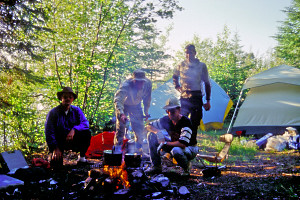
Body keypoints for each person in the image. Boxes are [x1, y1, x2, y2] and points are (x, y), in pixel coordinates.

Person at [145, 97, 198, 176]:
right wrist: (158, 132)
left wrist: (164, 143)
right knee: (151, 135)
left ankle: (186, 168)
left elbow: (182, 144)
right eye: (169, 111)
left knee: (176, 150)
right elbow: (148, 126)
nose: (170, 113)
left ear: (179, 110)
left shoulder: (185, 122)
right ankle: (156, 166)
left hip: (190, 148)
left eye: (173, 111)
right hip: (175, 144)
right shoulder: (166, 120)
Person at [45, 87, 91, 167]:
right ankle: (54, 155)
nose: (68, 99)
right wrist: (55, 147)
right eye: (65, 97)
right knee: (56, 168)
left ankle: (82, 159)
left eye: (70, 97)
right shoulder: (53, 113)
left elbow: (85, 123)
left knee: (87, 133)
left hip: (73, 139)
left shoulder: (76, 110)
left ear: (73, 99)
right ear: (61, 98)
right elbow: (49, 132)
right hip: (59, 142)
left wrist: (74, 129)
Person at [173, 44, 211, 136]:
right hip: (184, 96)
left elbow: (207, 82)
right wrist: (177, 85)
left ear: (195, 53)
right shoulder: (181, 65)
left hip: (196, 96)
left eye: (190, 53)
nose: (188, 55)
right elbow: (175, 76)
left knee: (195, 120)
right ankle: (182, 141)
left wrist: (208, 100)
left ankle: (192, 142)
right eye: (186, 53)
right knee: (182, 120)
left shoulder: (201, 65)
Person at [114, 69, 152, 153]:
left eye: (142, 81)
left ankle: (138, 150)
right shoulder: (126, 85)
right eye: (138, 81)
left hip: (136, 105)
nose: (140, 84)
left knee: (139, 127)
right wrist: (121, 113)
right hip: (124, 105)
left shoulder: (148, 84)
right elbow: (118, 99)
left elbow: (147, 99)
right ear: (133, 80)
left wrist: (146, 111)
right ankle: (117, 150)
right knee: (121, 127)